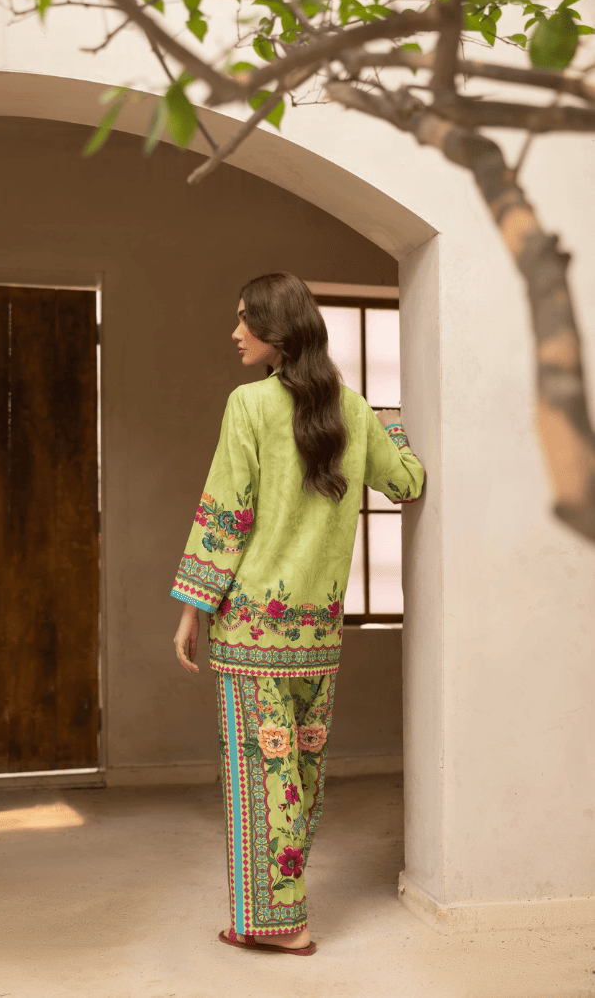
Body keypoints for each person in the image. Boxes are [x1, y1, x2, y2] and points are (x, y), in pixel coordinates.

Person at [170, 272, 426, 956]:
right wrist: (386, 423)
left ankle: (280, 923)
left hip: (250, 631)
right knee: (302, 773)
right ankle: (280, 912)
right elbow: (407, 481)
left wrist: (194, 608)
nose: (234, 333)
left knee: (263, 774)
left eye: (244, 320)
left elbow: (226, 514)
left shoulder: (249, 406)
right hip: (317, 635)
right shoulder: (354, 409)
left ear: (276, 332)